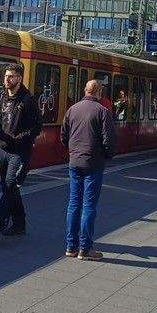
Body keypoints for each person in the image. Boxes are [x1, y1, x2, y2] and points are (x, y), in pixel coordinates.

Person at [60, 79, 115, 260]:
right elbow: (109, 141)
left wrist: (74, 151)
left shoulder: (72, 110)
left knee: (73, 204)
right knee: (89, 206)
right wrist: (106, 155)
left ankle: (71, 247)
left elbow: (63, 136)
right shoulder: (103, 111)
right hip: (93, 164)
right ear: (99, 92)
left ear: (85, 90)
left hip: (74, 163)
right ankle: (85, 249)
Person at [0, 62, 41, 241]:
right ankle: (19, 224)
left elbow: (37, 127)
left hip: (19, 151)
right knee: (8, 188)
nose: (7, 79)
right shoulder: (0, 97)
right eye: (6, 76)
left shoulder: (28, 100)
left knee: (10, 184)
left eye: (11, 76)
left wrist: (20, 138)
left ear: (19, 78)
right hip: (2, 148)